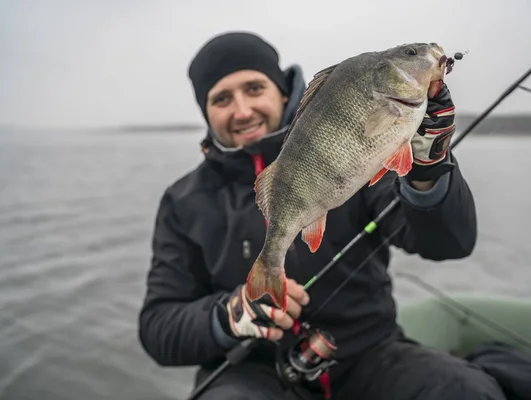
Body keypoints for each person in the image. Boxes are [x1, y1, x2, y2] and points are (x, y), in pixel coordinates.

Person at [138, 31, 507, 400]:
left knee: (465, 390)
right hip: (252, 371)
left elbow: (449, 244)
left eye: (254, 88)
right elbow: (157, 329)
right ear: (206, 112)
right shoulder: (183, 201)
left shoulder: (365, 150)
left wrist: (428, 170)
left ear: (283, 91)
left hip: (370, 355)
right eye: (222, 99)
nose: (242, 110)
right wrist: (226, 316)